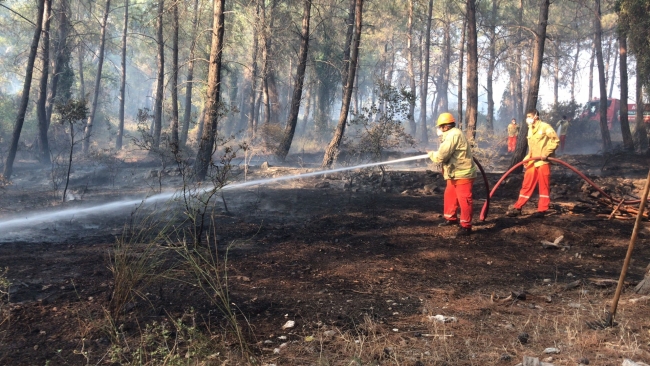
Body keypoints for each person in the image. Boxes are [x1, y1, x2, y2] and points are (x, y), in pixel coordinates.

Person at [428, 112, 477, 236]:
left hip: (463, 173)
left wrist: (431, 154)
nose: (439, 129)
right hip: (454, 173)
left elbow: (441, 156)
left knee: (464, 199)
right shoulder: (451, 134)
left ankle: (466, 226)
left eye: (440, 127)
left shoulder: (452, 136)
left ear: (445, 126)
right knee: (450, 195)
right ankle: (451, 218)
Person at [506, 109, 560, 218]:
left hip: (543, 161)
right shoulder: (530, 129)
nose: (528, 119)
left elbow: (555, 141)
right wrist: (527, 157)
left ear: (536, 116)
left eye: (529, 116)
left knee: (543, 185)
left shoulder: (545, 127)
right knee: (527, 184)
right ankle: (518, 207)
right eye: (527, 117)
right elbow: (532, 147)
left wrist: (546, 153)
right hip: (532, 160)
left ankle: (542, 210)